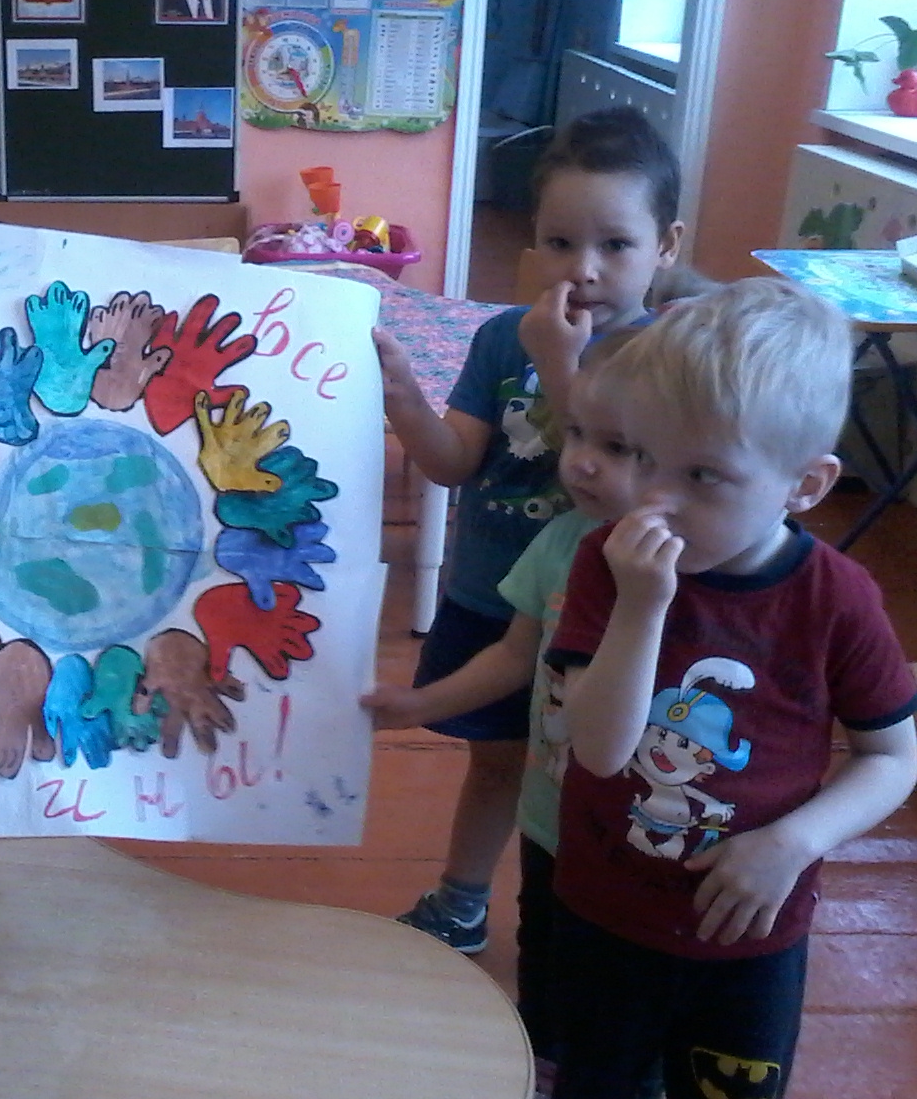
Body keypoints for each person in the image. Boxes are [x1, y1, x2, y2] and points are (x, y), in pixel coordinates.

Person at [547, 278, 917, 1098]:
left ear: (806, 485)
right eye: (643, 457)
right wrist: (643, 607)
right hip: (607, 916)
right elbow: (599, 751)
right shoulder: (610, 563)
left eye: (704, 475)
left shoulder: (837, 598)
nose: (655, 498)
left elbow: (893, 756)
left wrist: (792, 843)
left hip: (752, 929)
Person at [371, 105, 684, 953]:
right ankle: (462, 901)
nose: (584, 269)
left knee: (596, 770)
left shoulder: (668, 359)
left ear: (666, 246)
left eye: (615, 245)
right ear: (532, 242)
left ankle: (589, 914)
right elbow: (453, 464)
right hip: (488, 598)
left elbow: (633, 486)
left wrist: (558, 362)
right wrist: (404, 400)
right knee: (497, 760)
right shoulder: (500, 337)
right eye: (559, 242)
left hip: (604, 618)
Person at [363, 330, 643, 1096]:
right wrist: (415, 705)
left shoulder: (689, 560)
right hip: (551, 817)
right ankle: (543, 1054)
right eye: (576, 435)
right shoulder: (562, 542)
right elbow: (515, 656)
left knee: (619, 973)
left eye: (617, 446)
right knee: (548, 947)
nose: (582, 463)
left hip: (638, 830)